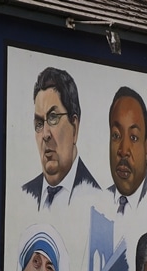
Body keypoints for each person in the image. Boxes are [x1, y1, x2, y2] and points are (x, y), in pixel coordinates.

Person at [22, 67, 101, 210]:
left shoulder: (99, 202)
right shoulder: (24, 197)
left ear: (74, 128)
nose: (45, 134)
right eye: (39, 124)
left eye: (53, 118)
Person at [107, 86, 147, 215]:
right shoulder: (99, 202)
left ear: (146, 148)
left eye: (134, 137)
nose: (123, 151)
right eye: (116, 136)